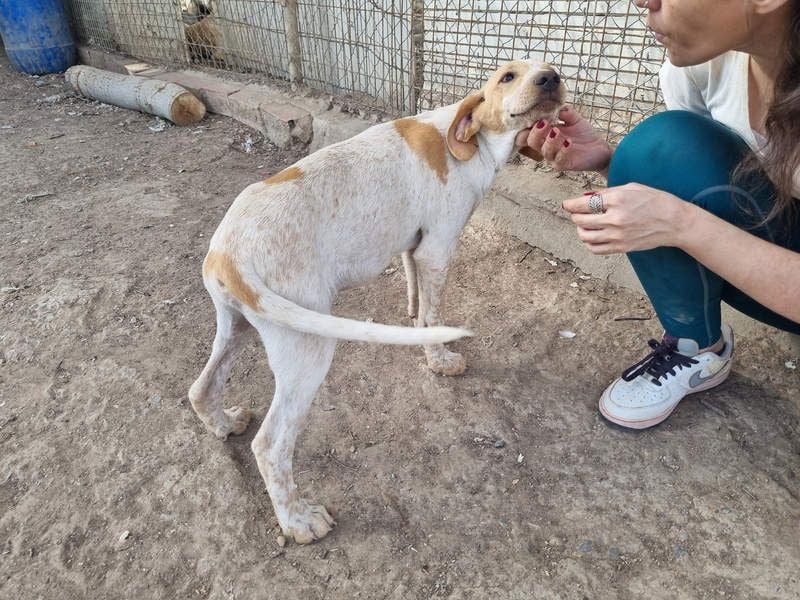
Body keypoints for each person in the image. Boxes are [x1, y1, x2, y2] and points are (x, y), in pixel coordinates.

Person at [516, 0, 800, 429]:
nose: (643, 1)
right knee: (656, 147)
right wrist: (613, 162)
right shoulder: (703, 64)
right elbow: (693, 180)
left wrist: (680, 223)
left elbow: (686, 215)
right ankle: (698, 350)